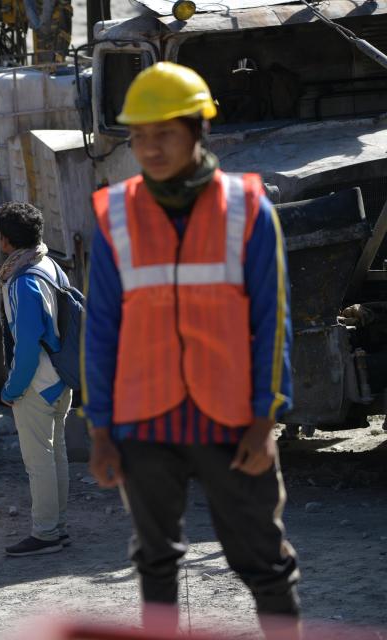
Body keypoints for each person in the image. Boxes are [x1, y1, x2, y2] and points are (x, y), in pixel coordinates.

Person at [82, 62, 300, 637]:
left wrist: (264, 419)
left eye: (164, 134)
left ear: (197, 131)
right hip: (143, 420)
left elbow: (271, 319)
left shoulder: (248, 208)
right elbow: (101, 327)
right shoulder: (116, 215)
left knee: (265, 563)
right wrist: (101, 428)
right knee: (154, 561)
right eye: (139, 136)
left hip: (230, 421)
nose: (149, 149)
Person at [0, 202, 73, 557]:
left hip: (37, 383)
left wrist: (13, 389)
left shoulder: (21, 281)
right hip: (61, 378)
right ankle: (56, 527)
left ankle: (45, 534)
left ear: (6, 240)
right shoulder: (50, 265)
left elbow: (25, 345)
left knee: (38, 461)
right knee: (55, 455)